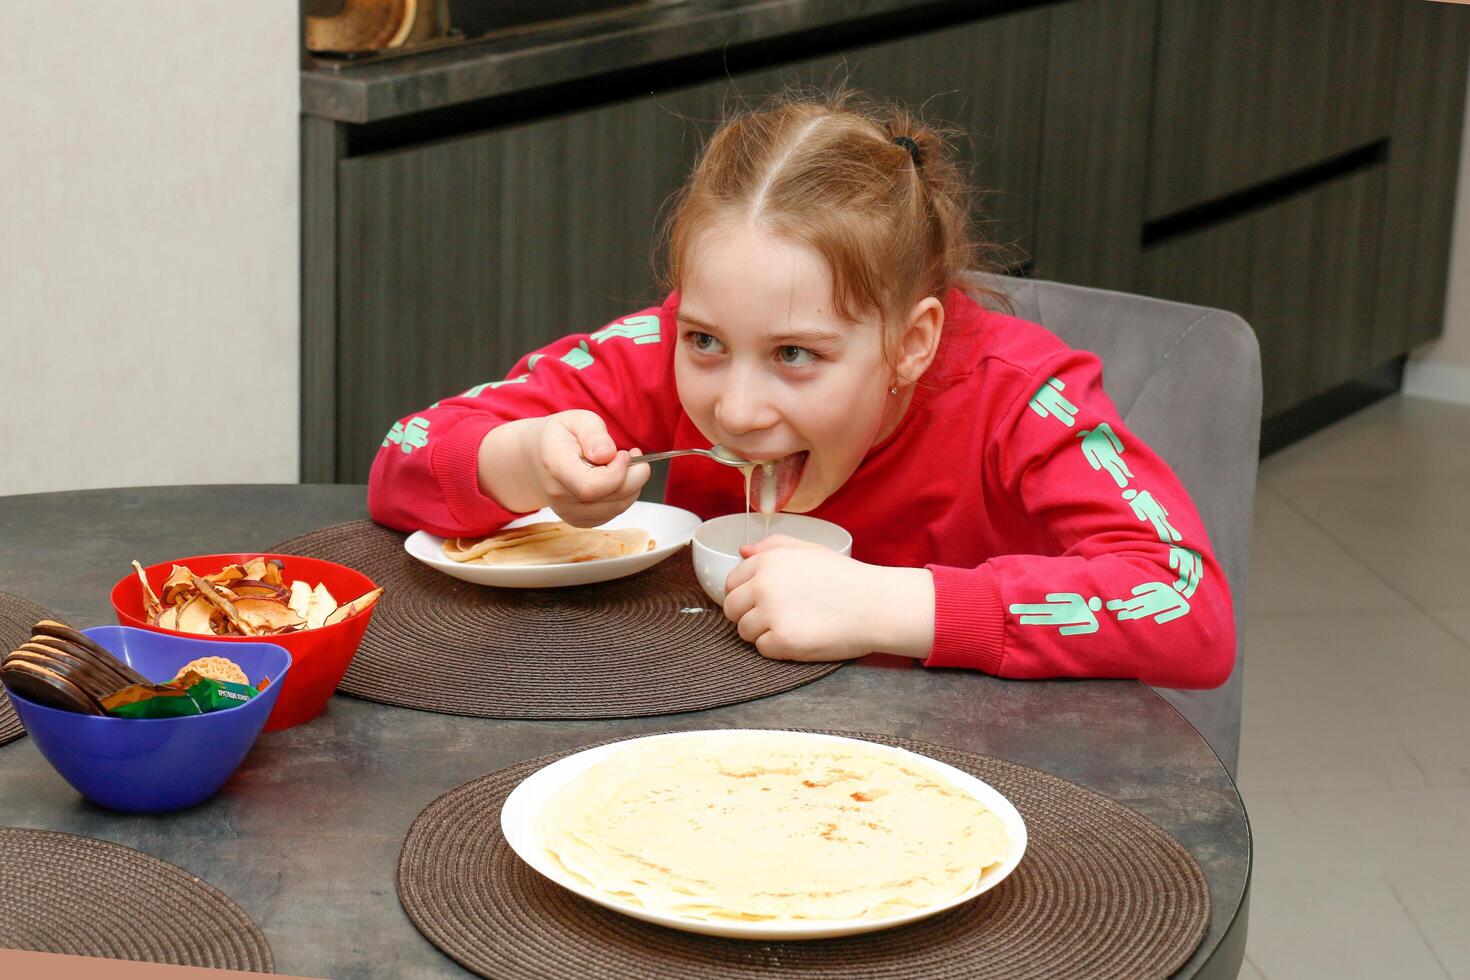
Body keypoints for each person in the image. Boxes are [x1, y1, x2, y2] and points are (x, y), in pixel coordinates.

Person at [368, 89, 1234, 689]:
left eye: (795, 355)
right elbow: (401, 459)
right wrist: (521, 461)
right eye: (707, 340)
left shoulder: (1020, 399)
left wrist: (891, 605)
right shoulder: (660, 348)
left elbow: (1187, 608)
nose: (737, 411)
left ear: (911, 342)